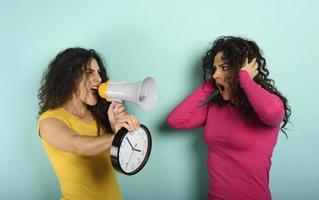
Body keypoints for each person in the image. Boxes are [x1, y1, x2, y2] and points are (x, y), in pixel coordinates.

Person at [167, 36, 291, 200]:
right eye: (214, 69)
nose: (216, 74)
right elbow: (176, 120)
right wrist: (210, 85)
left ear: (242, 70)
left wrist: (245, 79)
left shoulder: (270, 105)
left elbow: (271, 112)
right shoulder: (215, 108)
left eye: (224, 67)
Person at [37, 48, 140, 200]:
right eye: (89, 72)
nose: (99, 79)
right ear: (68, 77)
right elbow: (78, 145)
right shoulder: (49, 121)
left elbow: (125, 162)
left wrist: (115, 128)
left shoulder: (100, 114)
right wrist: (117, 136)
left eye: (99, 72)